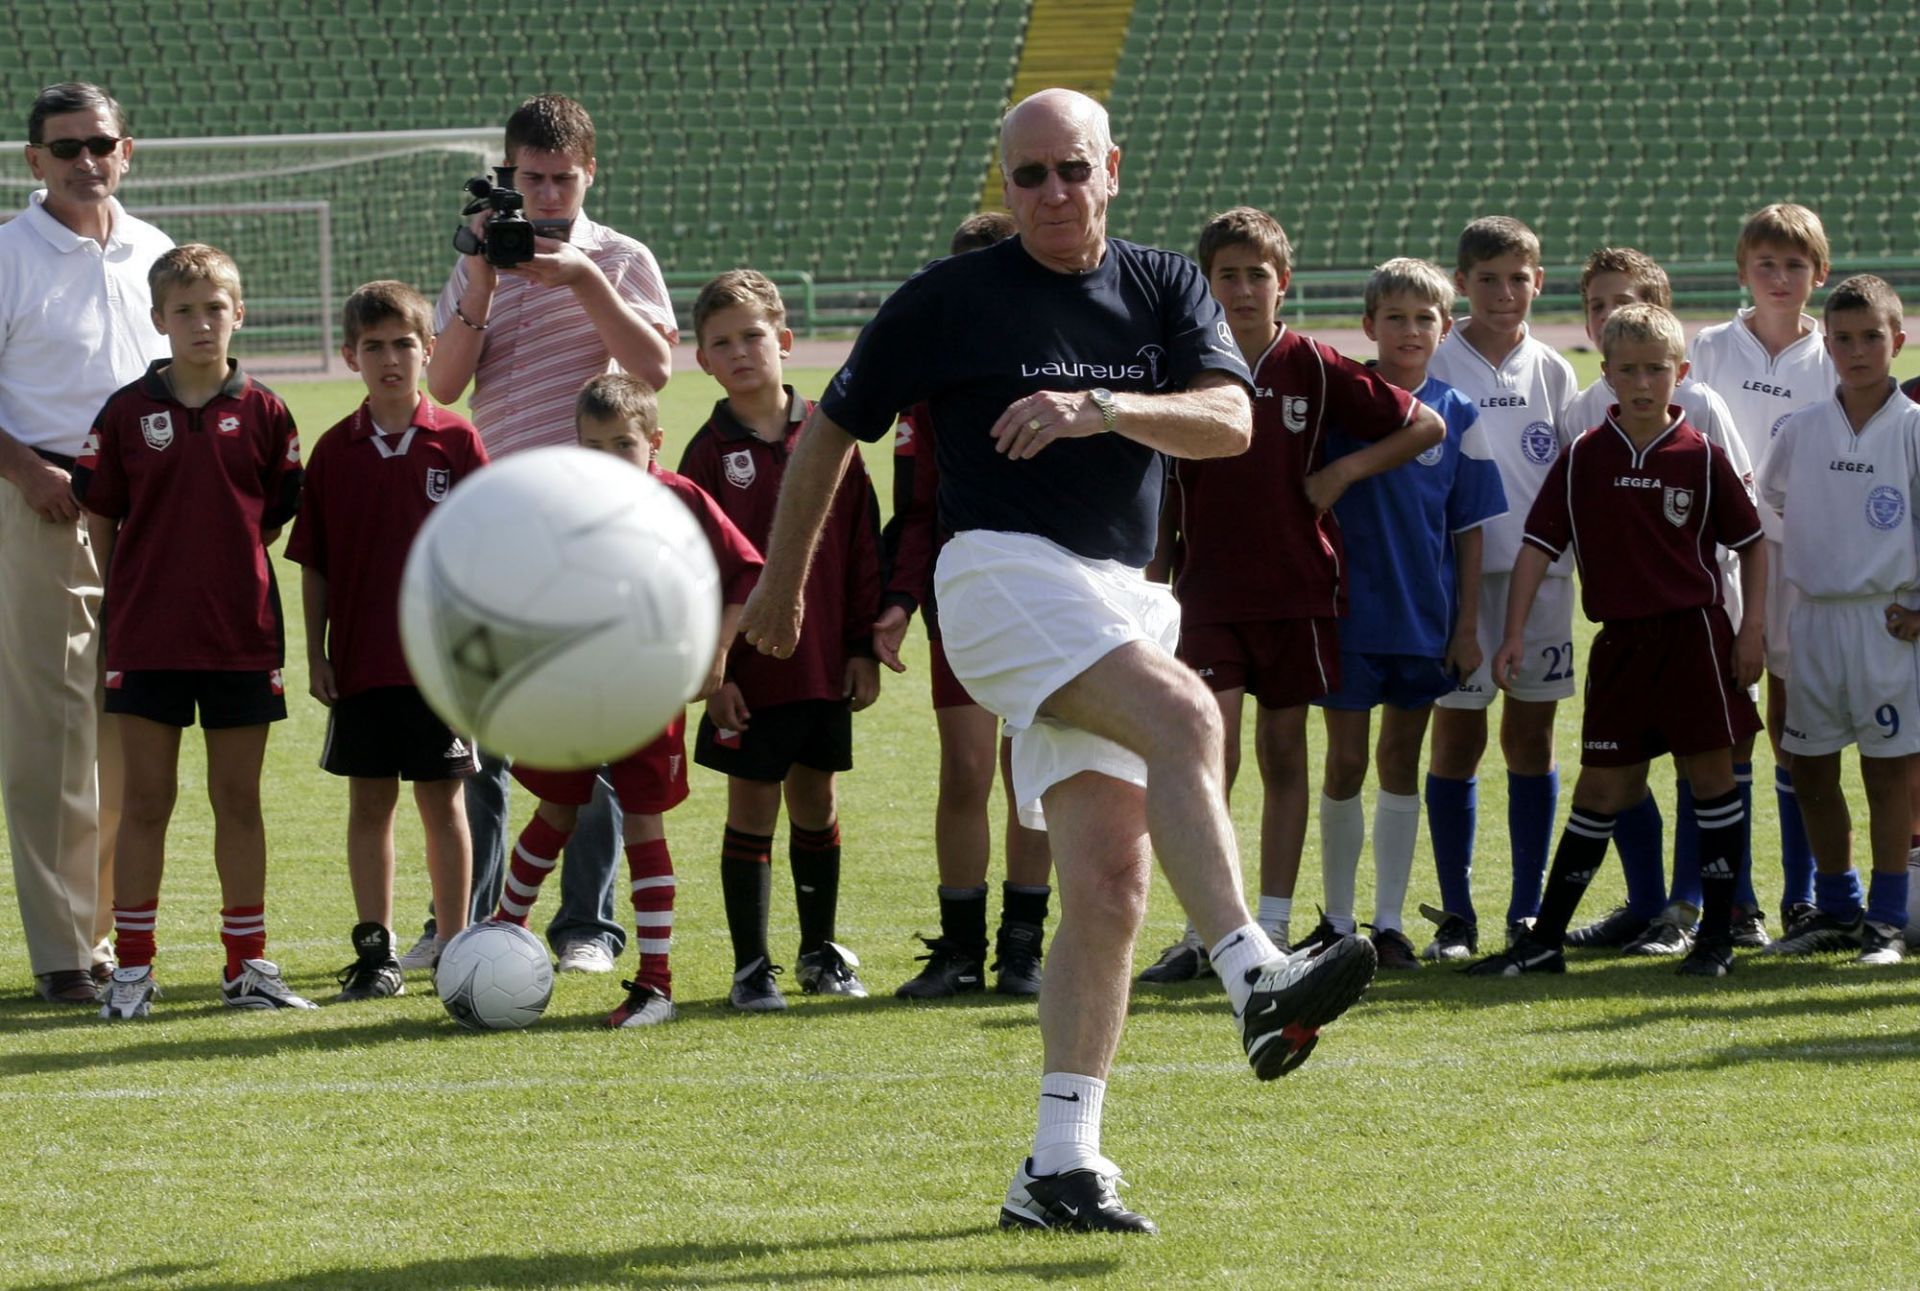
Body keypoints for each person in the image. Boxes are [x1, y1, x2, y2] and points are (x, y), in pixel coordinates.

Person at [737, 88, 1377, 1234]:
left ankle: (1058, 1163)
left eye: (1069, 170)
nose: (1048, 193)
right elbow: (831, 427)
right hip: (998, 576)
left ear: (1112, 169)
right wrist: (783, 587)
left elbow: (1230, 422)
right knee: (1188, 718)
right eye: (1026, 175)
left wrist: (1101, 408)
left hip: (1123, 590)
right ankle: (1252, 972)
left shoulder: (1166, 285)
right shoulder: (949, 300)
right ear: (1004, 180)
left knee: (1111, 883)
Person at [1139, 207, 1443, 978]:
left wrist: (1341, 472)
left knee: (1282, 750)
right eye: (1227, 275)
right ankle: (1209, 930)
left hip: (1299, 591)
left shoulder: (1312, 364)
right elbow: (1165, 477)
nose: (1242, 289)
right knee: (1209, 756)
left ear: (1284, 282)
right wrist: (1155, 570)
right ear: (1208, 284)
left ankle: (1269, 925)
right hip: (1205, 593)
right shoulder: (1188, 366)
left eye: (1257, 274)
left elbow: (1424, 426)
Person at [419, 93, 677, 975]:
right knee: (482, 737)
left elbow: (654, 368)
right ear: (510, 174)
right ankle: (474, 920)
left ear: (589, 173)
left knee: (589, 733)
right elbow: (446, 386)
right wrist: (484, 279)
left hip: (595, 526)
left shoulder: (621, 256)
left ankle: (587, 927)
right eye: (533, 178)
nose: (549, 195)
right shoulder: (483, 257)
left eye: (564, 178)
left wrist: (581, 278)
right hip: (497, 524)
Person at [1466, 304, 1765, 980]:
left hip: (1694, 638)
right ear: (1604, 377)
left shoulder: (1702, 455)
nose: (1641, 381)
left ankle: (1715, 938)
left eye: (1655, 369)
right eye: (1627, 369)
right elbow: (1538, 547)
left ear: (1679, 374)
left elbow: (1752, 544)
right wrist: (1512, 634)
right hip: (1621, 646)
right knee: (1601, 788)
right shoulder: (1584, 458)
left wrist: (1753, 630)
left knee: (1712, 779)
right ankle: (1544, 941)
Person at [78, 244, 313, 1018]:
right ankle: (133, 972)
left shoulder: (268, 411)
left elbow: (274, 513)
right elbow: (102, 515)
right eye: (184, 310)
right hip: (147, 635)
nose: (202, 322)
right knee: (146, 801)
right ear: (158, 320)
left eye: (215, 307)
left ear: (237, 313)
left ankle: (245, 965)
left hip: (240, 635)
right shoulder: (123, 412)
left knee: (237, 800)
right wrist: (125, 602)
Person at [492, 373, 763, 1026]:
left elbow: (747, 571)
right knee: (554, 808)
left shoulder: (682, 500)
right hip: (570, 689)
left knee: (644, 821)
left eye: (623, 445)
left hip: (648, 688)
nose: (608, 460)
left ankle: (655, 984)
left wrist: (717, 653)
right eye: (593, 446)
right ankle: (500, 938)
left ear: (655, 444)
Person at [0, 82, 172, 1005]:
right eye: (63, 148)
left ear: (125, 151)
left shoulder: (155, 252)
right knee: (54, 735)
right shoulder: (6, 255)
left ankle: (104, 929)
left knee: (129, 730)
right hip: (42, 502)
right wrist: (26, 473)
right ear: (33, 162)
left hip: (144, 510)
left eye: (98, 143)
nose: (83, 160)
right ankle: (61, 950)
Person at [678, 270, 882, 1010]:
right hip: (750, 677)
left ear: (785, 341)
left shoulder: (833, 439)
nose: (740, 352)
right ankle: (750, 966)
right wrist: (715, 671)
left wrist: (861, 645)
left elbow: (862, 544)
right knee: (751, 808)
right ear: (700, 359)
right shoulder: (705, 455)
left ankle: (819, 952)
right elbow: (693, 573)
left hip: (825, 660)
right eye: (721, 342)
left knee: (817, 802)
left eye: (753, 335)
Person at [1559, 249, 1763, 957]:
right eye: (1600, 305)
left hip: (1702, 613)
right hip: (1625, 621)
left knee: (1704, 763)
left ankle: (1702, 905)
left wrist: (1745, 625)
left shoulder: (1698, 404)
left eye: (1630, 300)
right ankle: (1650, 902)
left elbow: (1741, 515)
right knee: (1623, 761)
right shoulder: (1584, 410)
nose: (1614, 314)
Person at [876, 210, 1057, 1000]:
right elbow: (915, 513)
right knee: (967, 769)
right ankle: (958, 949)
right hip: (965, 598)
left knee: (1035, 775)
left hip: (1054, 596)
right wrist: (897, 601)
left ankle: (1023, 949)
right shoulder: (933, 393)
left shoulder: (1070, 377)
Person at [286, 281, 484, 1001]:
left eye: (404, 343)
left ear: (429, 350)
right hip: (363, 663)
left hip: (439, 669)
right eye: (374, 346)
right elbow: (315, 564)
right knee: (370, 805)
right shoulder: (335, 451)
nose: (391, 358)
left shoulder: (458, 440)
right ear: (350, 356)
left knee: (445, 804)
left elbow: (486, 554)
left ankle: (457, 946)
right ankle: (376, 951)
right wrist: (318, 653)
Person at [1314, 258, 1506, 969]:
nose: (1409, 329)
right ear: (1369, 325)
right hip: (1345, 616)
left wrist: (1465, 626)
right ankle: (1335, 920)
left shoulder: (1459, 413)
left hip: (1424, 617)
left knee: (1400, 761)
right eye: (1394, 316)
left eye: (1424, 317)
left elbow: (1470, 528)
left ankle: (1387, 923)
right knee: (1344, 759)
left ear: (1445, 326)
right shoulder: (1341, 403)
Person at [1421, 216, 1579, 959]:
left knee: (1531, 736)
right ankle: (1457, 914)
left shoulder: (1553, 368)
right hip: (1457, 583)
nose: (1504, 292)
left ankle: (1525, 908)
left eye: (1518, 277)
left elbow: (1570, 478)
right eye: (1487, 278)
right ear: (1461, 284)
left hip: (1540, 581)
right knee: (1457, 734)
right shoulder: (1438, 361)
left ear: (1537, 282)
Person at [1757, 275, 1918, 964]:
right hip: (1815, 618)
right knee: (1810, 769)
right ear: (1826, 345)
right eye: (1843, 338)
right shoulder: (1801, 430)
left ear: (1898, 339)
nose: (1857, 350)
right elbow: (1779, 503)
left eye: (1871, 337)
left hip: (1885, 624)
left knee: (1888, 776)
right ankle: (1839, 907)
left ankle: (1884, 920)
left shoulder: (1913, 428)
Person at [1685, 203, 1834, 939]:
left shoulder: (1834, 351)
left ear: (1820, 274)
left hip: (1808, 562)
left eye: (1795, 265)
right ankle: (1736, 897)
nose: (1780, 278)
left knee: (1796, 727)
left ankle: (1802, 894)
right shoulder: (1712, 347)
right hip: (1726, 564)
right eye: (1766, 264)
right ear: (1743, 270)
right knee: (1732, 726)